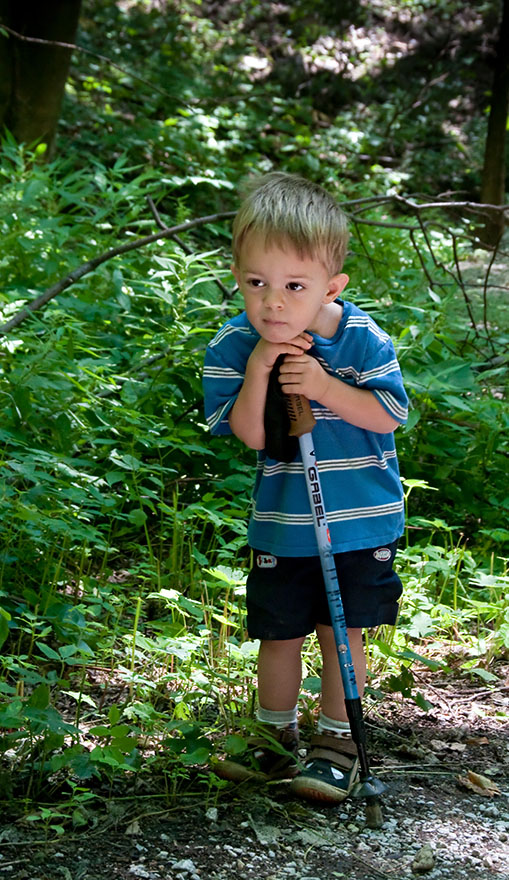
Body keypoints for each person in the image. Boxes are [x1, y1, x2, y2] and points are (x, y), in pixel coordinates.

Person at [202, 172, 409, 803]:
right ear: (236, 275)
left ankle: (337, 741)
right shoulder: (236, 344)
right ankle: (271, 739)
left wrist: (322, 387)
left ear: (332, 286)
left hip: (360, 516)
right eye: (255, 283)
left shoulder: (361, 339)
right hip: (285, 521)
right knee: (279, 630)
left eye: (294, 286)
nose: (273, 303)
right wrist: (262, 366)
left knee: (339, 631)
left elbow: (388, 415)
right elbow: (250, 436)